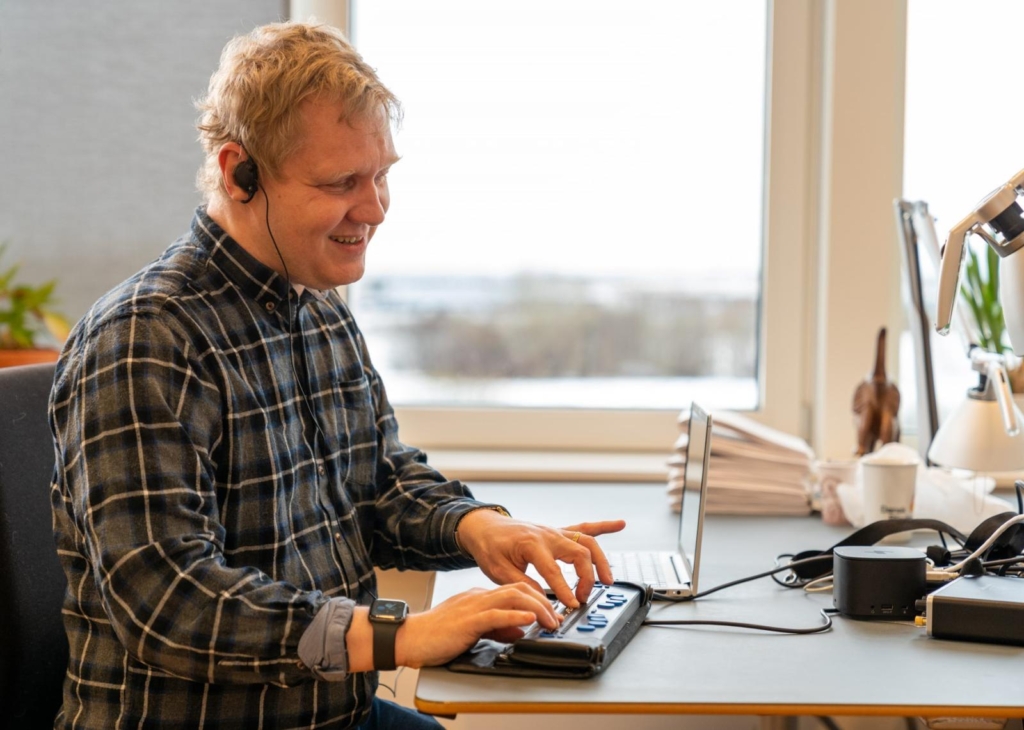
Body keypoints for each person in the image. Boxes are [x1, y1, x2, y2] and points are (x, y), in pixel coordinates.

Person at [48, 20, 624, 730]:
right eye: (341, 182)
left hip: (332, 716)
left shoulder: (318, 311)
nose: (375, 208)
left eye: (382, 175)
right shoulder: (145, 339)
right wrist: (399, 635)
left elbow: (378, 486)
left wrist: (478, 529)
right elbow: (171, 600)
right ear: (239, 173)